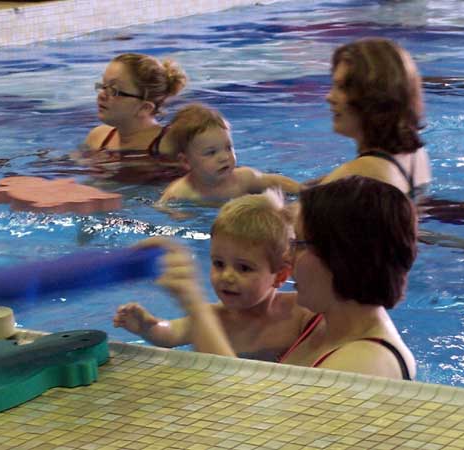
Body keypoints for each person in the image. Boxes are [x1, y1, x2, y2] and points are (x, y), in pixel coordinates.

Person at [149, 176, 418, 380]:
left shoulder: (364, 364)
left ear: (340, 258)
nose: (287, 259)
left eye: (298, 244)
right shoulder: (323, 325)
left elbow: (246, 418)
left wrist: (195, 306)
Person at [114, 190, 305, 361]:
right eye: (219, 264)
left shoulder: (298, 312)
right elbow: (171, 334)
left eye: (244, 268)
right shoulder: (214, 318)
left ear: (280, 275)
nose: (227, 276)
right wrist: (148, 326)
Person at [316, 38, 432, 200]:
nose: (329, 97)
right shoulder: (416, 154)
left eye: (341, 87)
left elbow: (286, 222)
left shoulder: (357, 175)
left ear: (373, 98)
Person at [157, 104, 303, 206]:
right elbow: (163, 212)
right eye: (211, 153)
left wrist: (304, 192)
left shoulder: (243, 178)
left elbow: (274, 181)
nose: (224, 157)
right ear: (186, 161)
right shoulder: (180, 193)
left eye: (228, 147)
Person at [79, 53, 188, 183]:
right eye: (103, 86)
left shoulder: (171, 144)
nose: (102, 95)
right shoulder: (98, 138)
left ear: (145, 108)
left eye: (114, 90)